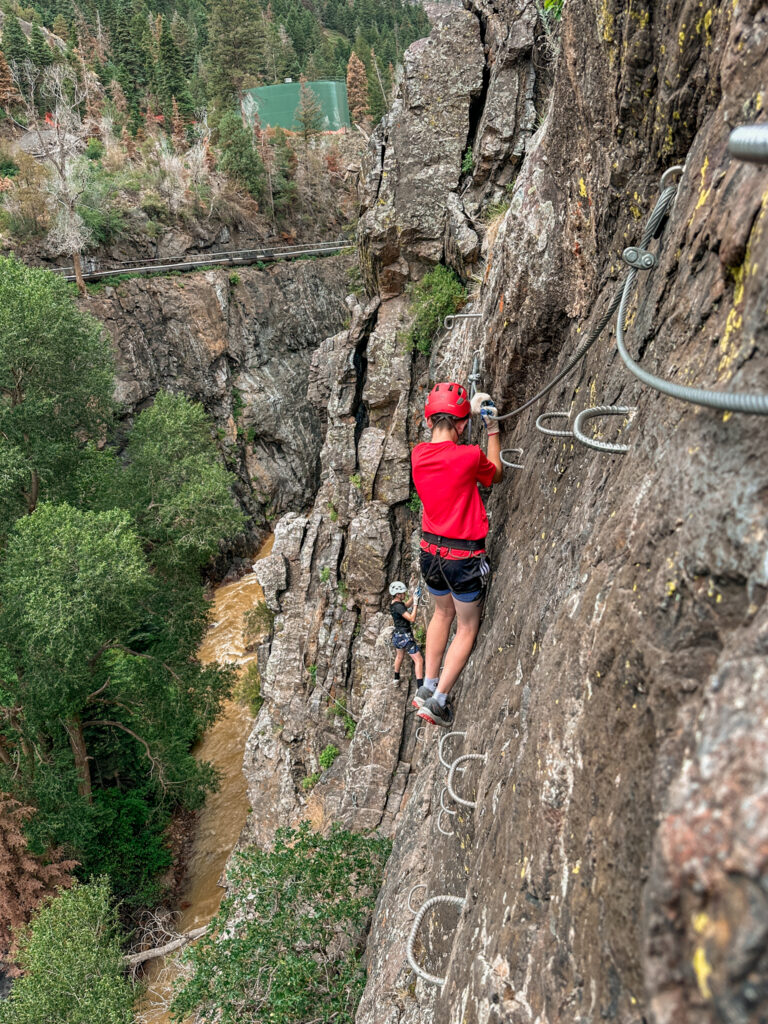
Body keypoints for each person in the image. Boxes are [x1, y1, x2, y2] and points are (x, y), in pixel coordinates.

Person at [410, 383, 503, 727]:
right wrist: (491, 427)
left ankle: (427, 685)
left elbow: (445, 446)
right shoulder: (468, 458)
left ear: (429, 419)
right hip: (462, 558)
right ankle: (439, 701)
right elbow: (496, 473)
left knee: (441, 614)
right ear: (463, 425)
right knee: (466, 627)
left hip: (430, 554)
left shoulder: (418, 455)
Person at [389, 581, 424, 687]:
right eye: (403, 593)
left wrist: (413, 597)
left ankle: (396, 678)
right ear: (398, 594)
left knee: (399, 656)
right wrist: (416, 604)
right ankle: (420, 687)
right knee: (419, 660)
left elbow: (405, 606)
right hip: (405, 637)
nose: (405, 594)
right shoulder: (398, 607)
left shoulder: (395, 603)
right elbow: (412, 618)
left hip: (397, 636)